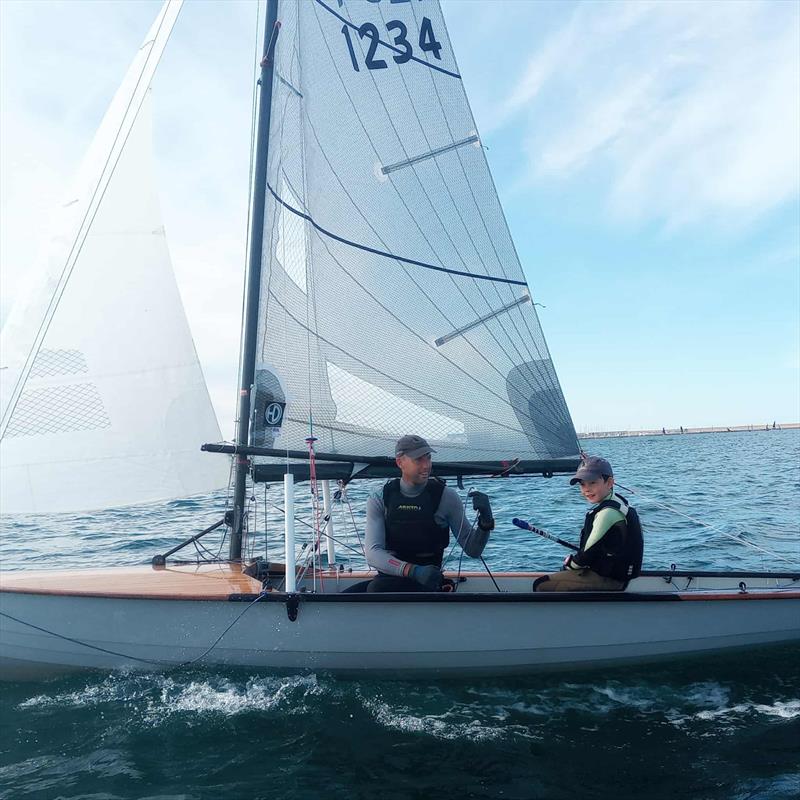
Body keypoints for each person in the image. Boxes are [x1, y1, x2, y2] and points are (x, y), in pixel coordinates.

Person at [362, 434, 494, 592]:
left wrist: (485, 523)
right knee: (355, 595)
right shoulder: (380, 498)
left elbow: (473, 550)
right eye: (418, 459)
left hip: (429, 582)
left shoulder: (447, 497)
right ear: (400, 462)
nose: (426, 466)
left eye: (429, 458)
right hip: (391, 577)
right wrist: (414, 571)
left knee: (375, 589)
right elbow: (372, 553)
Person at [533, 456, 643, 592]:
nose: (586, 489)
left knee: (541, 585)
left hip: (610, 581)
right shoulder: (619, 502)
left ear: (609, 483)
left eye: (592, 483)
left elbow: (586, 553)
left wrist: (571, 564)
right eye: (582, 484)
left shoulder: (607, 513)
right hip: (617, 576)